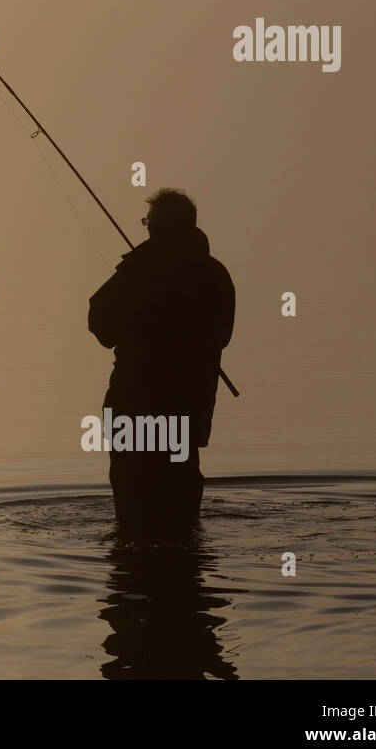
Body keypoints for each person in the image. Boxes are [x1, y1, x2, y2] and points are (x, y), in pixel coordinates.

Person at [88, 189, 235, 540]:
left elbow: (101, 325)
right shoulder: (215, 274)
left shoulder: (138, 268)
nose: (146, 230)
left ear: (159, 228)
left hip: (135, 403)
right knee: (181, 504)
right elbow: (222, 336)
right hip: (187, 404)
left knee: (132, 506)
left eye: (148, 223)